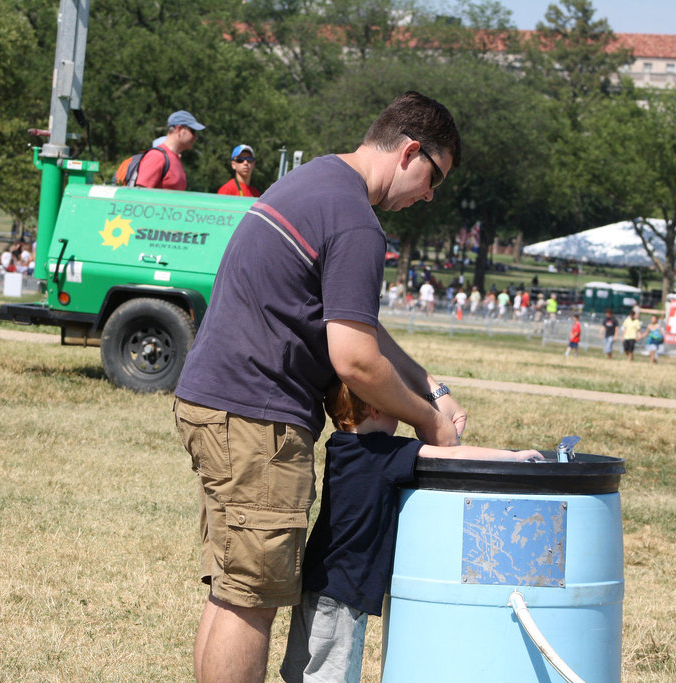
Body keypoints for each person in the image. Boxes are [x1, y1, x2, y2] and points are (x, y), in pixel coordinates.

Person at [173, 91, 464, 683]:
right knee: (250, 600)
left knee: (233, 593)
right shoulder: (357, 221)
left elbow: (354, 319)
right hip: (257, 417)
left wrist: (427, 383)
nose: (430, 195)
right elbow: (355, 361)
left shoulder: (317, 182)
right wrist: (429, 422)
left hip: (218, 401)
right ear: (411, 151)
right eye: (434, 177)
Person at [279, 383, 542, 683]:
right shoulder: (381, 453)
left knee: (303, 673)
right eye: (398, 411)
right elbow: (452, 456)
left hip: (317, 581)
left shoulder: (339, 445)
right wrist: (513, 457)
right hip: (345, 590)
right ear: (376, 409)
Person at [136, 110, 206, 190]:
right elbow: (140, 196)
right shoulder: (157, 156)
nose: (195, 137)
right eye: (193, 131)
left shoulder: (175, 158)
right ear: (179, 129)